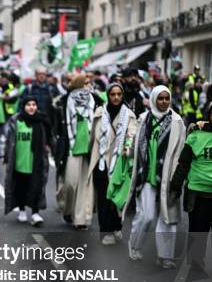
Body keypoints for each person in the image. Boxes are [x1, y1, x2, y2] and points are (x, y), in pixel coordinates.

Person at [125, 85, 186, 269]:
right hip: (146, 176)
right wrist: (126, 152)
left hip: (167, 177)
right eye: (160, 98)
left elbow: (181, 151)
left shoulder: (177, 122)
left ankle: (165, 256)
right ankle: (134, 245)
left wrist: (177, 179)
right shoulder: (144, 119)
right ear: (153, 99)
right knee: (147, 215)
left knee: (168, 218)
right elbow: (136, 145)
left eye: (167, 98)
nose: (164, 102)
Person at [88, 83, 138, 245]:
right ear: (108, 96)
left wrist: (127, 147)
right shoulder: (99, 112)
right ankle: (106, 231)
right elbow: (92, 136)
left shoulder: (128, 114)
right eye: (112, 94)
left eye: (119, 94)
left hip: (120, 162)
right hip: (102, 162)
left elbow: (132, 134)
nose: (116, 97)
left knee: (117, 197)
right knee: (104, 198)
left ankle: (116, 226)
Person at [170, 110, 212, 270]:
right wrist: (175, 186)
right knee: (198, 230)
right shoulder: (195, 136)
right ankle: (195, 263)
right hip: (198, 194)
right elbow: (183, 163)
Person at [3, 95, 49, 225]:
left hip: (35, 162)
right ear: (23, 106)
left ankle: (35, 213)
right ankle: (22, 210)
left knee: (36, 187)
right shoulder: (16, 120)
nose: (31, 107)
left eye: (34, 105)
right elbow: (9, 141)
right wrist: (7, 156)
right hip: (19, 162)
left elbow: (48, 139)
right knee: (21, 188)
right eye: (28, 105)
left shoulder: (41, 121)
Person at [62, 75, 96, 229]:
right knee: (70, 183)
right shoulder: (65, 101)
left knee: (84, 185)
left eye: (89, 83)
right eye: (86, 83)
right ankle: (68, 210)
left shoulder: (94, 100)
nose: (89, 86)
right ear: (78, 84)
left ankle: (80, 219)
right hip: (71, 145)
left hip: (88, 146)